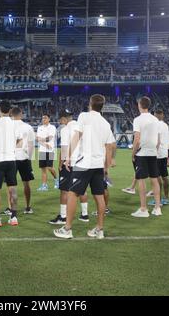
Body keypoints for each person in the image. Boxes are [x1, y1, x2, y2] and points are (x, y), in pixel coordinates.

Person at [54, 94, 116, 239]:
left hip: (84, 163)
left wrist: (68, 157)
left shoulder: (84, 116)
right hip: (98, 164)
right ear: (102, 106)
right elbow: (110, 146)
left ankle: (67, 229)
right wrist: (106, 166)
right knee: (99, 197)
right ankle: (99, 229)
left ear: (90, 104)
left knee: (72, 194)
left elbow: (77, 137)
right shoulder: (106, 123)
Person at [49, 109, 90, 225]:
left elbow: (64, 149)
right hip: (82, 162)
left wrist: (60, 164)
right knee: (82, 189)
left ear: (63, 119)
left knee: (64, 190)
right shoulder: (81, 126)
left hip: (70, 163)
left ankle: (63, 217)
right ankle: (84, 214)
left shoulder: (65, 129)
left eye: (60, 120)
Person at [131, 96, 162, 218]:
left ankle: (144, 209)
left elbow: (137, 139)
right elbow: (158, 140)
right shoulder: (155, 120)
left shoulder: (138, 119)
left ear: (139, 105)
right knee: (154, 180)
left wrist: (133, 153)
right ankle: (157, 207)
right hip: (153, 152)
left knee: (141, 180)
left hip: (142, 153)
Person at [3, 107, 35, 215]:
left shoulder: (7, 127)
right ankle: (27, 207)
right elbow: (31, 145)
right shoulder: (28, 127)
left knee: (10, 184)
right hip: (24, 158)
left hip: (11, 158)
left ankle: (10, 208)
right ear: (21, 114)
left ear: (11, 114)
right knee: (26, 183)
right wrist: (30, 159)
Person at [149, 109, 169, 206]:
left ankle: (159, 199)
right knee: (164, 176)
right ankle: (166, 198)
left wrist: (153, 152)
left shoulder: (156, 125)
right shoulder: (165, 125)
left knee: (156, 177)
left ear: (155, 114)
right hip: (164, 153)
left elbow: (156, 140)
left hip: (157, 154)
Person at [36, 114, 58, 191]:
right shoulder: (39, 128)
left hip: (50, 150)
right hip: (42, 150)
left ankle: (56, 180)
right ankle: (44, 186)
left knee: (49, 167)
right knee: (43, 169)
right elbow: (37, 139)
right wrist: (44, 143)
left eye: (45, 118)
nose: (43, 119)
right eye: (42, 118)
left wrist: (41, 139)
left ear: (49, 119)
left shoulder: (52, 127)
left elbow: (50, 138)